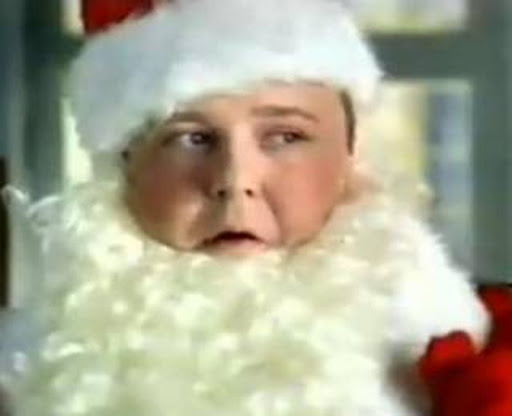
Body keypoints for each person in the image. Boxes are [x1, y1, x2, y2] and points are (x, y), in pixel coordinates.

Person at [1, 0, 510, 415]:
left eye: (285, 136)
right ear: (125, 166)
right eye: (192, 139)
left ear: (348, 158)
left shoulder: (451, 342)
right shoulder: (29, 367)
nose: (234, 181)